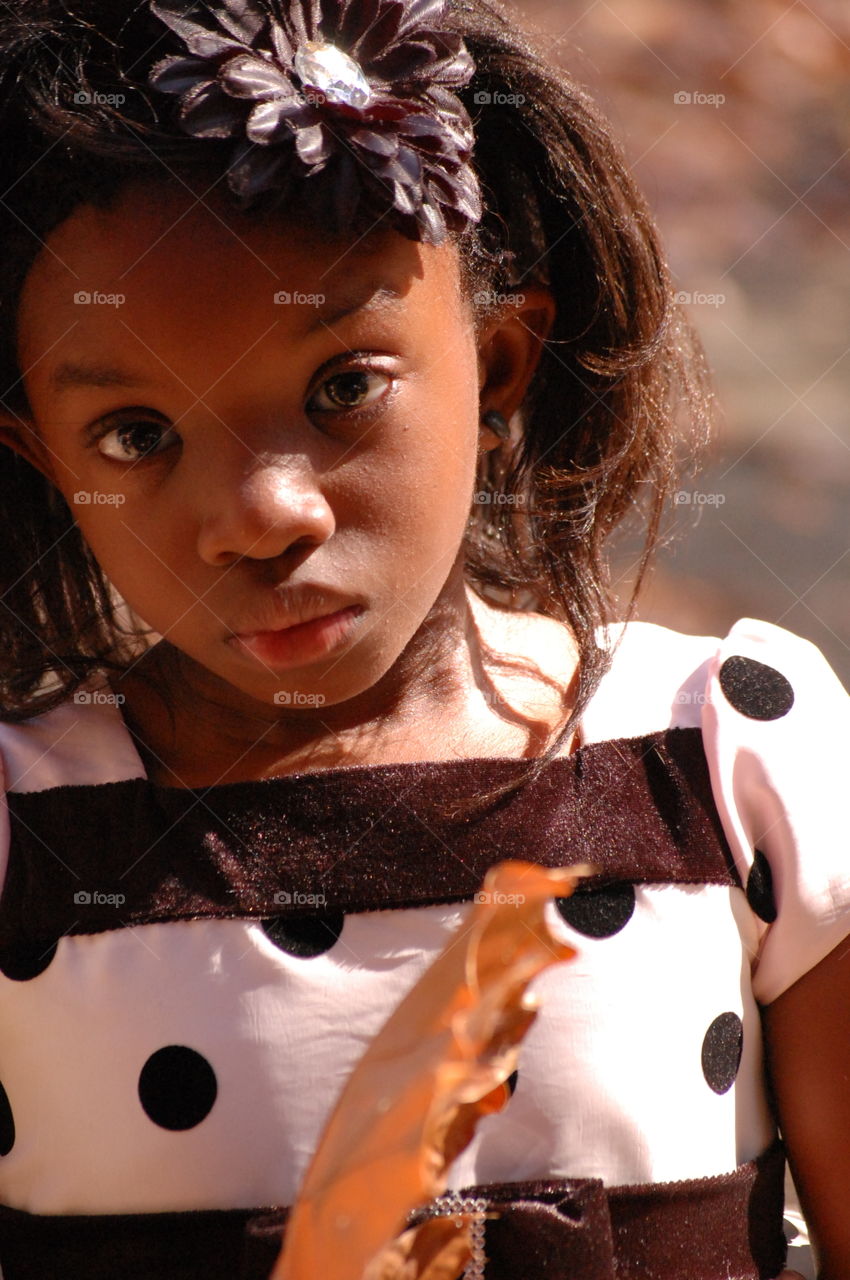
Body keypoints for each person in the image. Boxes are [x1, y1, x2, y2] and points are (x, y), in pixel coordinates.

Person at [0, 0, 843, 1276]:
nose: (263, 514)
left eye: (342, 387)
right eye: (136, 435)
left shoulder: (727, 760)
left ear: (497, 361)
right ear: (44, 459)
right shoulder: (27, 826)